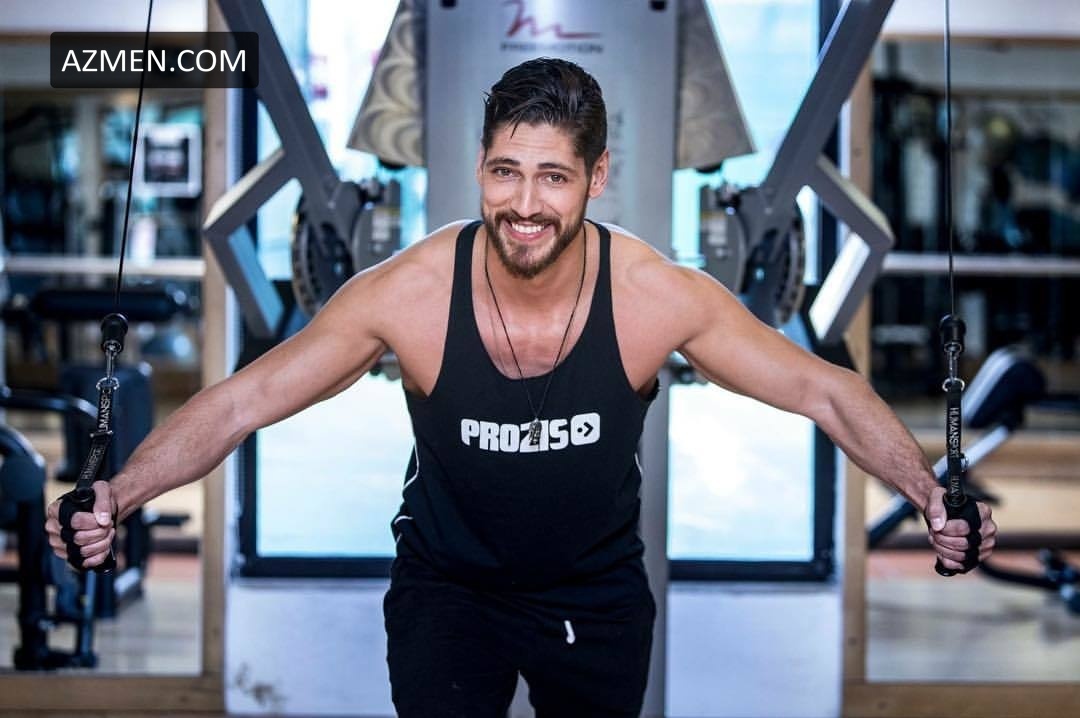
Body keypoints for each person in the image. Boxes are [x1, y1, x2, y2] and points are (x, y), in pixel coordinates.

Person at [47, 57, 996, 717]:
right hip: (447, 592)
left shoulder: (656, 297)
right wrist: (119, 492)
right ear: (479, 167)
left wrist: (929, 493)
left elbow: (824, 391)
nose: (525, 205)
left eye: (552, 177)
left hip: (595, 594)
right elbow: (244, 399)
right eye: (505, 172)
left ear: (597, 177)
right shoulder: (409, 295)